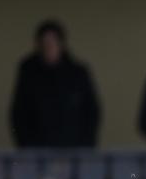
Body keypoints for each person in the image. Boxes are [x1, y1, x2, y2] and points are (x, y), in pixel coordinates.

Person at [9, 20, 101, 148]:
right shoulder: (29, 72)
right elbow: (18, 112)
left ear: (61, 44)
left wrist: (86, 144)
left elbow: (91, 111)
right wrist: (25, 144)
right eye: (44, 44)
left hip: (72, 148)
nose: (49, 48)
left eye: (52, 43)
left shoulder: (77, 73)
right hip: (36, 149)